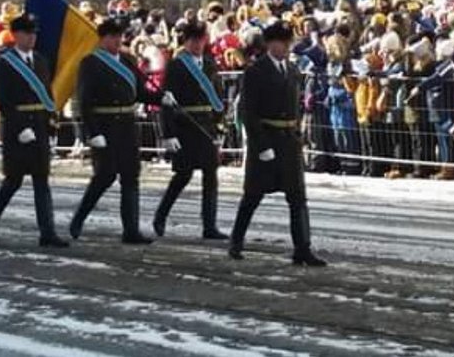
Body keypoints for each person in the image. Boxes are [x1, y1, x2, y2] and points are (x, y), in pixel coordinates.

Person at [229, 21, 327, 266]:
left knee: (297, 198)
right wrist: (261, 146)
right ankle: (236, 240)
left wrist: (298, 133)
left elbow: (295, 104)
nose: (284, 47)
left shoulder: (292, 70)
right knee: (253, 195)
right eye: (280, 43)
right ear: (270, 44)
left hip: (288, 142)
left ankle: (302, 248)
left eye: (287, 43)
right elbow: (249, 113)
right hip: (267, 138)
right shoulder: (256, 71)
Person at [70, 19, 176, 244]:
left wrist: (160, 97)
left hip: (127, 126)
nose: (117, 41)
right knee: (104, 176)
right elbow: (85, 100)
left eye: (119, 36)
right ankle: (79, 218)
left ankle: (131, 230)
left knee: (131, 177)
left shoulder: (127, 62)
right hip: (105, 125)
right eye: (112, 37)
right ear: (102, 39)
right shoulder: (90, 63)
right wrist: (93, 132)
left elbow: (138, 92)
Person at [0, 14, 68, 248]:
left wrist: (51, 123)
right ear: (16, 35)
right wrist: (20, 127)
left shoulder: (40, 60)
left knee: (42, 180)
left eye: (34, 34)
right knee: (13, 180)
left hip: (40, 125)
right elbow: (4, 99)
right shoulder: (4, 62)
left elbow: (47, 94)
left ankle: (47, 232)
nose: (32, 38)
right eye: (27, 33)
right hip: (18, 128)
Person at [153, 21, 228, 240]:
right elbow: (166, 101)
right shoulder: (176, 65)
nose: (197, 44)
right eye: (193, 40)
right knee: (183, 176)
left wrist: (219, 124)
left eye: (200, 40)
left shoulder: (209, 64)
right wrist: (168, 134)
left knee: (210, 175)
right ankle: (161, 214)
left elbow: (218, 95)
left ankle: (209, 225)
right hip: (185, 126)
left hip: (205, 125)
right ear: (186, 42)